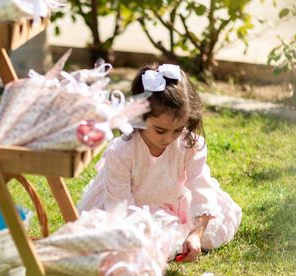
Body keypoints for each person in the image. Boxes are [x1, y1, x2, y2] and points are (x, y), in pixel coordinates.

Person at [77, 63, 242, 262]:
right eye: (160, 130)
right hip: (133, 207)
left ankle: (181, 235)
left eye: (177, 129)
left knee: (209, 229)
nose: (168, 138)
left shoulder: (189, 145)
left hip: (177, 201)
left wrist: (196, 233)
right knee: (130, 239)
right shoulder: (122, 152)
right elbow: (119, 206)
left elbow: (200, 185)